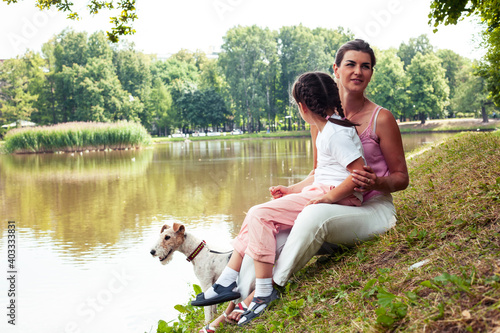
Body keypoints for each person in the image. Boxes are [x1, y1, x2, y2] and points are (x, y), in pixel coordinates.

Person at [194, 71, 368, 332]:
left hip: (339, 198)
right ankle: (229, 279)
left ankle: (263, 291)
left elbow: (359, 175)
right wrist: (292, 190)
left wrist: (327, 197)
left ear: (302, 107)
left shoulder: (334, 133)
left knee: (259, 214)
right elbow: (320, 173)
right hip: (323, 190)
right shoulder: (328, 129)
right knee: (253, 220)